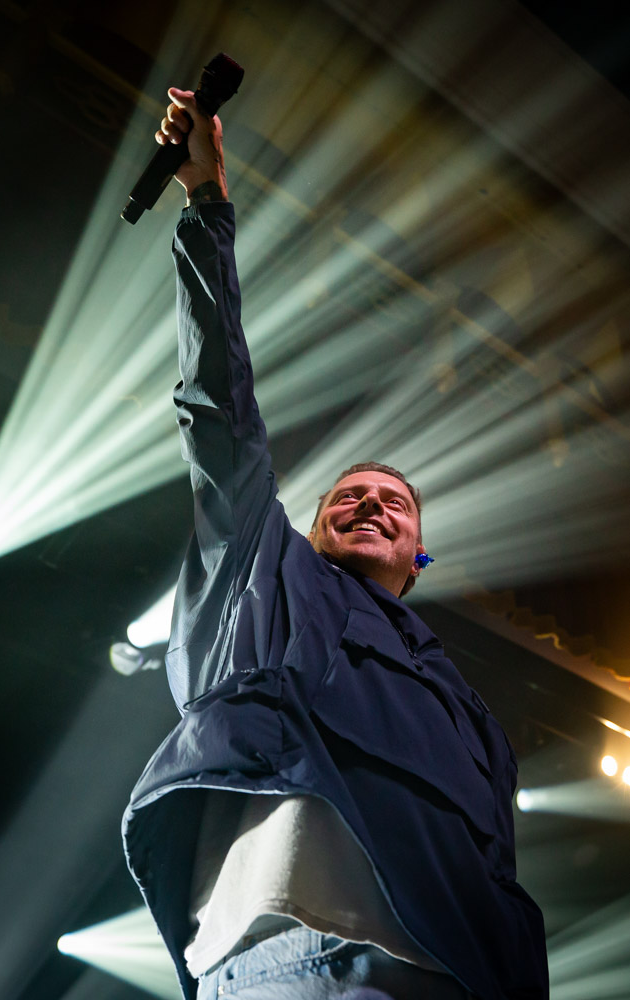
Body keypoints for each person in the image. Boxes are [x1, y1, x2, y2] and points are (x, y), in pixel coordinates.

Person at [123, 89, 549, 1000]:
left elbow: (498, 870)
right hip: (293, 960)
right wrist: (205, 205)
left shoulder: (468, 713)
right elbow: (218, 409)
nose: (369, 504)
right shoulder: (267, 573)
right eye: (346, 497)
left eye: (394, 503)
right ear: (311, 529)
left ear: (417, 557)